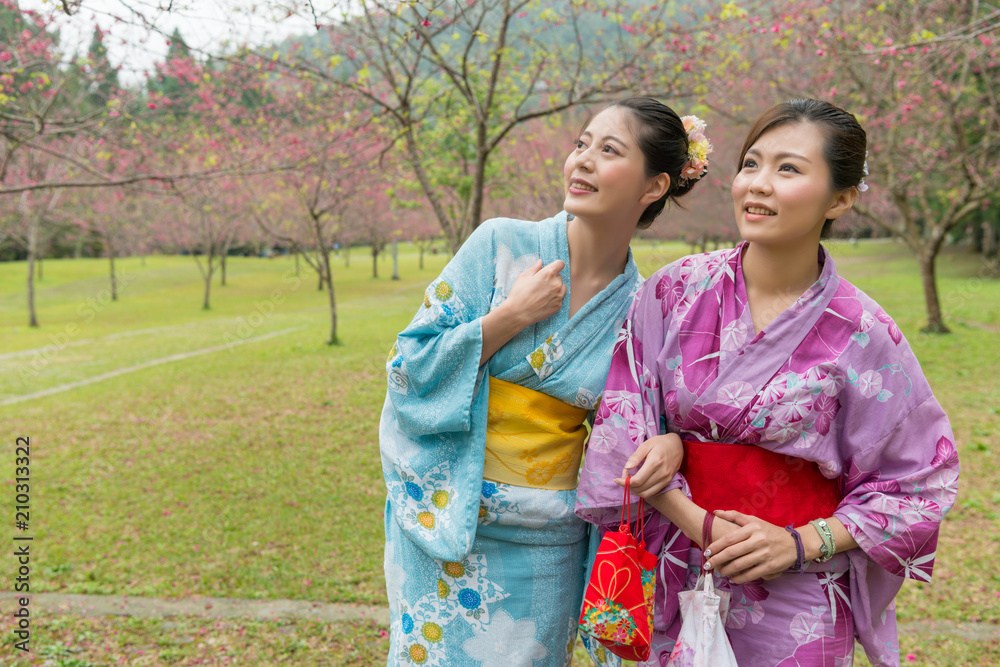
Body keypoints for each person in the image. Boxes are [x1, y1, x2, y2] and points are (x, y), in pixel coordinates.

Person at [576, 99, 959, 667]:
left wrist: (800, 543)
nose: (758, 185)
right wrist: (692, 505)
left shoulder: (864, 332)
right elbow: (622, 425)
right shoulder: (673, 291)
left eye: (789, 169)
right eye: (751, 163)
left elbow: (918, 482)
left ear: (841, 197)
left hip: (799, 595)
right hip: (680, 571)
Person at [379, 97, 711, 666]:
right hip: (451, 521)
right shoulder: (498, 245)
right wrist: (509, 317)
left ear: (653, 187)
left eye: (608, 150)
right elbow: (408, 366)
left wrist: (672, 442)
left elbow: (651, 422)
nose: (581, 160)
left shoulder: (643, 306)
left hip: (548, 541)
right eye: (581, 143)